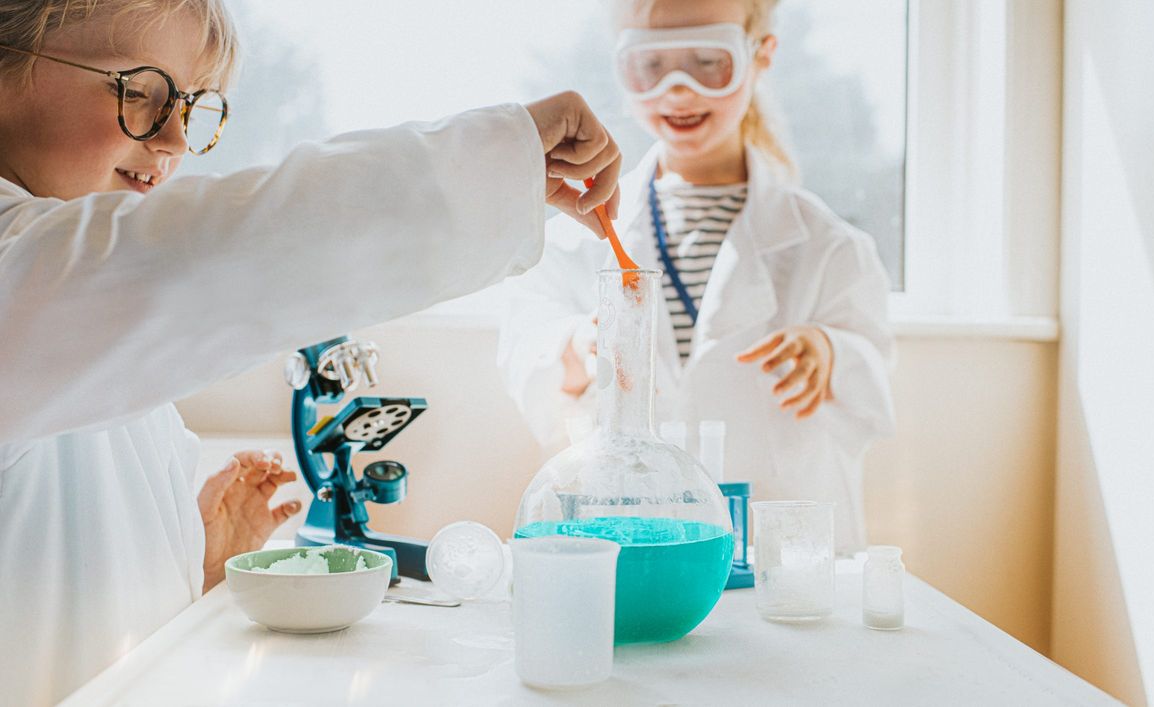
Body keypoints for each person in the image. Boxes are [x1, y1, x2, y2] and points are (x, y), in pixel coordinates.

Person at [0, 1, 622, 702]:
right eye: (137, 92)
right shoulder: (28, 276)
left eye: (190, 105)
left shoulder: (80, 314)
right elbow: (210, 255)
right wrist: (496, 165)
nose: (173, 138)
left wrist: (194, 567)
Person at [498, 0, 894, 556]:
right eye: (652, 65)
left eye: (710, 61)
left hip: (776, 544)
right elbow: (525, 356)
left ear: (761, 55)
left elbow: (873, 383)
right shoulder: (568, 243)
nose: (678, 90)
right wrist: (575, 348)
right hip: (629, 536)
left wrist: (831, 352)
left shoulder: (831, 248)